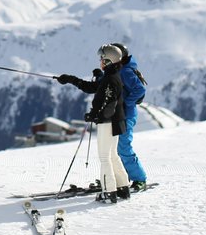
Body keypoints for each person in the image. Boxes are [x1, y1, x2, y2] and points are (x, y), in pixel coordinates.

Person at [56, 44, 131, 202]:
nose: (100, 61)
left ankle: (109, 192)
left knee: (105, 157)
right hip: (116, 121)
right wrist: (70, 79)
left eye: (102, 59)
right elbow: (91, 87)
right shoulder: (111, 76)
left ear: (109, 60)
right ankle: (123, 188)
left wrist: (96, 116)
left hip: (108, 122)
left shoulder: (110, 79)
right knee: (112, 155)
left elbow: (109, 102)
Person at [111, 42, 148, 191]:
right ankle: (122, 176)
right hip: (119, 115)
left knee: (124, 147)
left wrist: (125, 103)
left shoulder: (125, 71)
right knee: (115, 148)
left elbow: (139, 89)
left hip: (126, 115)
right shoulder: (120, 68)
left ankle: (139, 179)